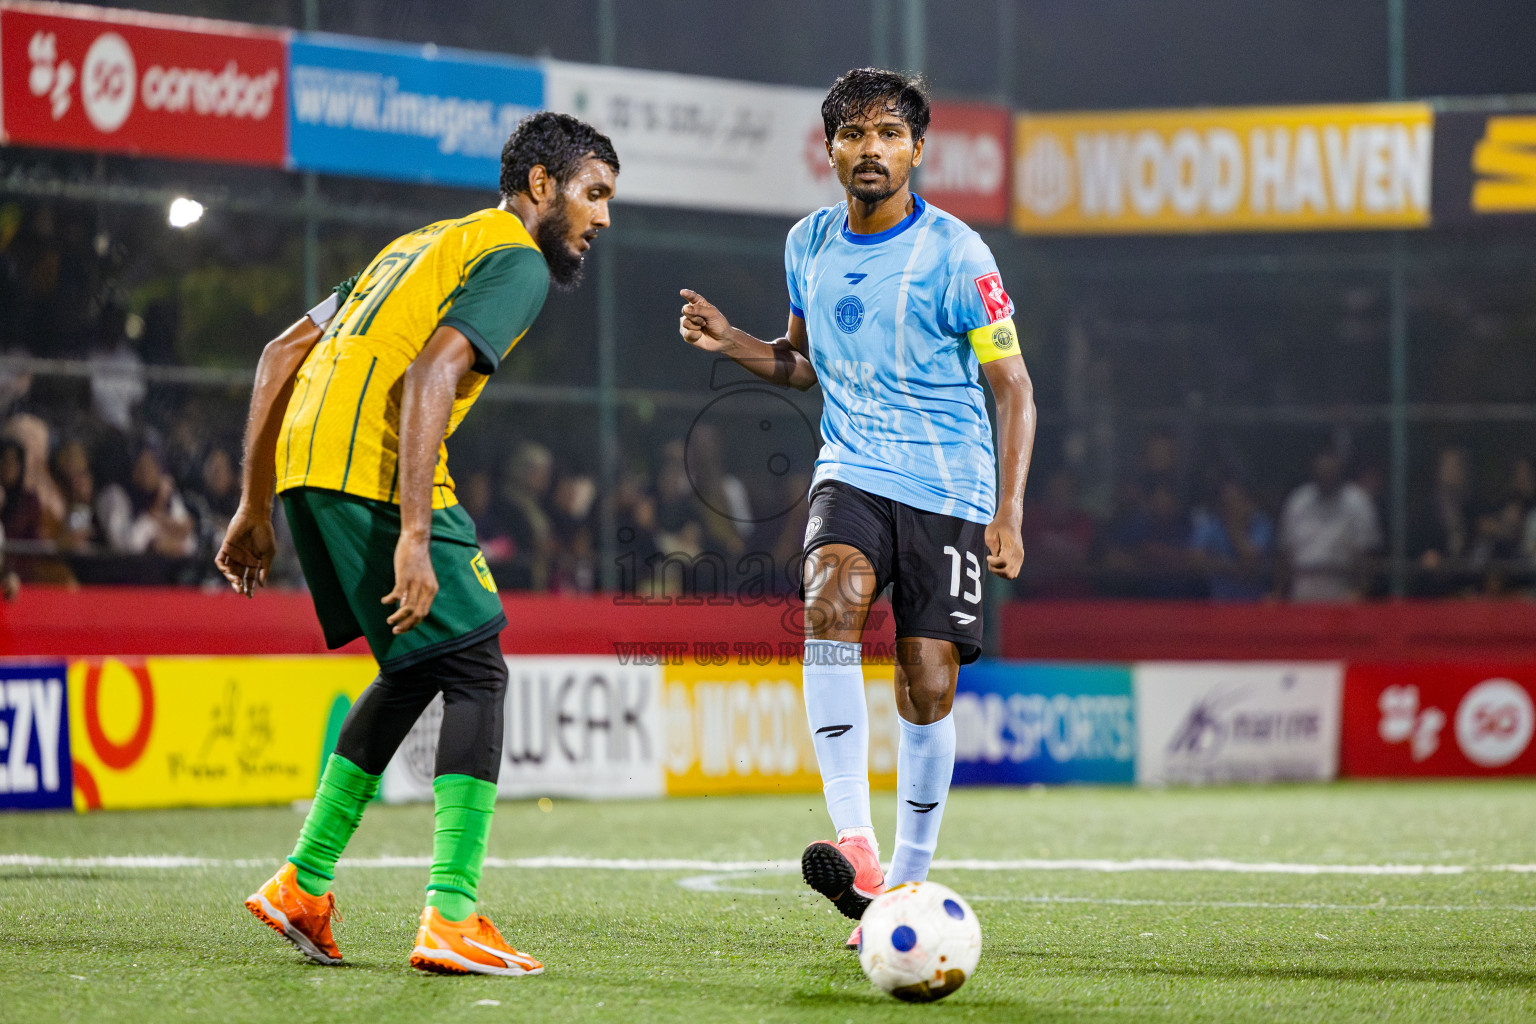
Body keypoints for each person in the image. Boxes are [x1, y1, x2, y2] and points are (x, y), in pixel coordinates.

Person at [215, 112, 618, 977]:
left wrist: (255, 505)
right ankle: (452, 914)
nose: (603, 217)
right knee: (477, 670)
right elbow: (431, 372)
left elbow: (281, 350)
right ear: (540, 187)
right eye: (594, 193)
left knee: (414, 670)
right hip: (373, 468)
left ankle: (303, 882)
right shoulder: (514, 258)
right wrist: (413, 535)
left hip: (305, 465)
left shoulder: (420, 245)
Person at [677, 68, 1035, 951]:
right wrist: (735, 344)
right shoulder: (807, 243)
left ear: (918, 150)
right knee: (826, 604)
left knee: (928, 681)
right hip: (852, 469)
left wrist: (1009, 511)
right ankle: (859, 843)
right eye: (853, 133)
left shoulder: (959, 255)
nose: (870, 149)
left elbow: (1013, 388)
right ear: (829, 148)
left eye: (887, 134)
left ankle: (907, 881)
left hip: (949, 489)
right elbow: (803, 365)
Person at [1277, 446, 1381, 602]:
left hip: (1342, 595)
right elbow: (1286, 553)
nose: (1325, 472)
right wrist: (1278, 593)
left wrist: (1360, 592)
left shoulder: (1358, 502)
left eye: (1330, 469)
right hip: (1301, 593)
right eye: (1321, 468)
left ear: (1339, 468)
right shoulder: (1297, 501)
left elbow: (1367, 555)